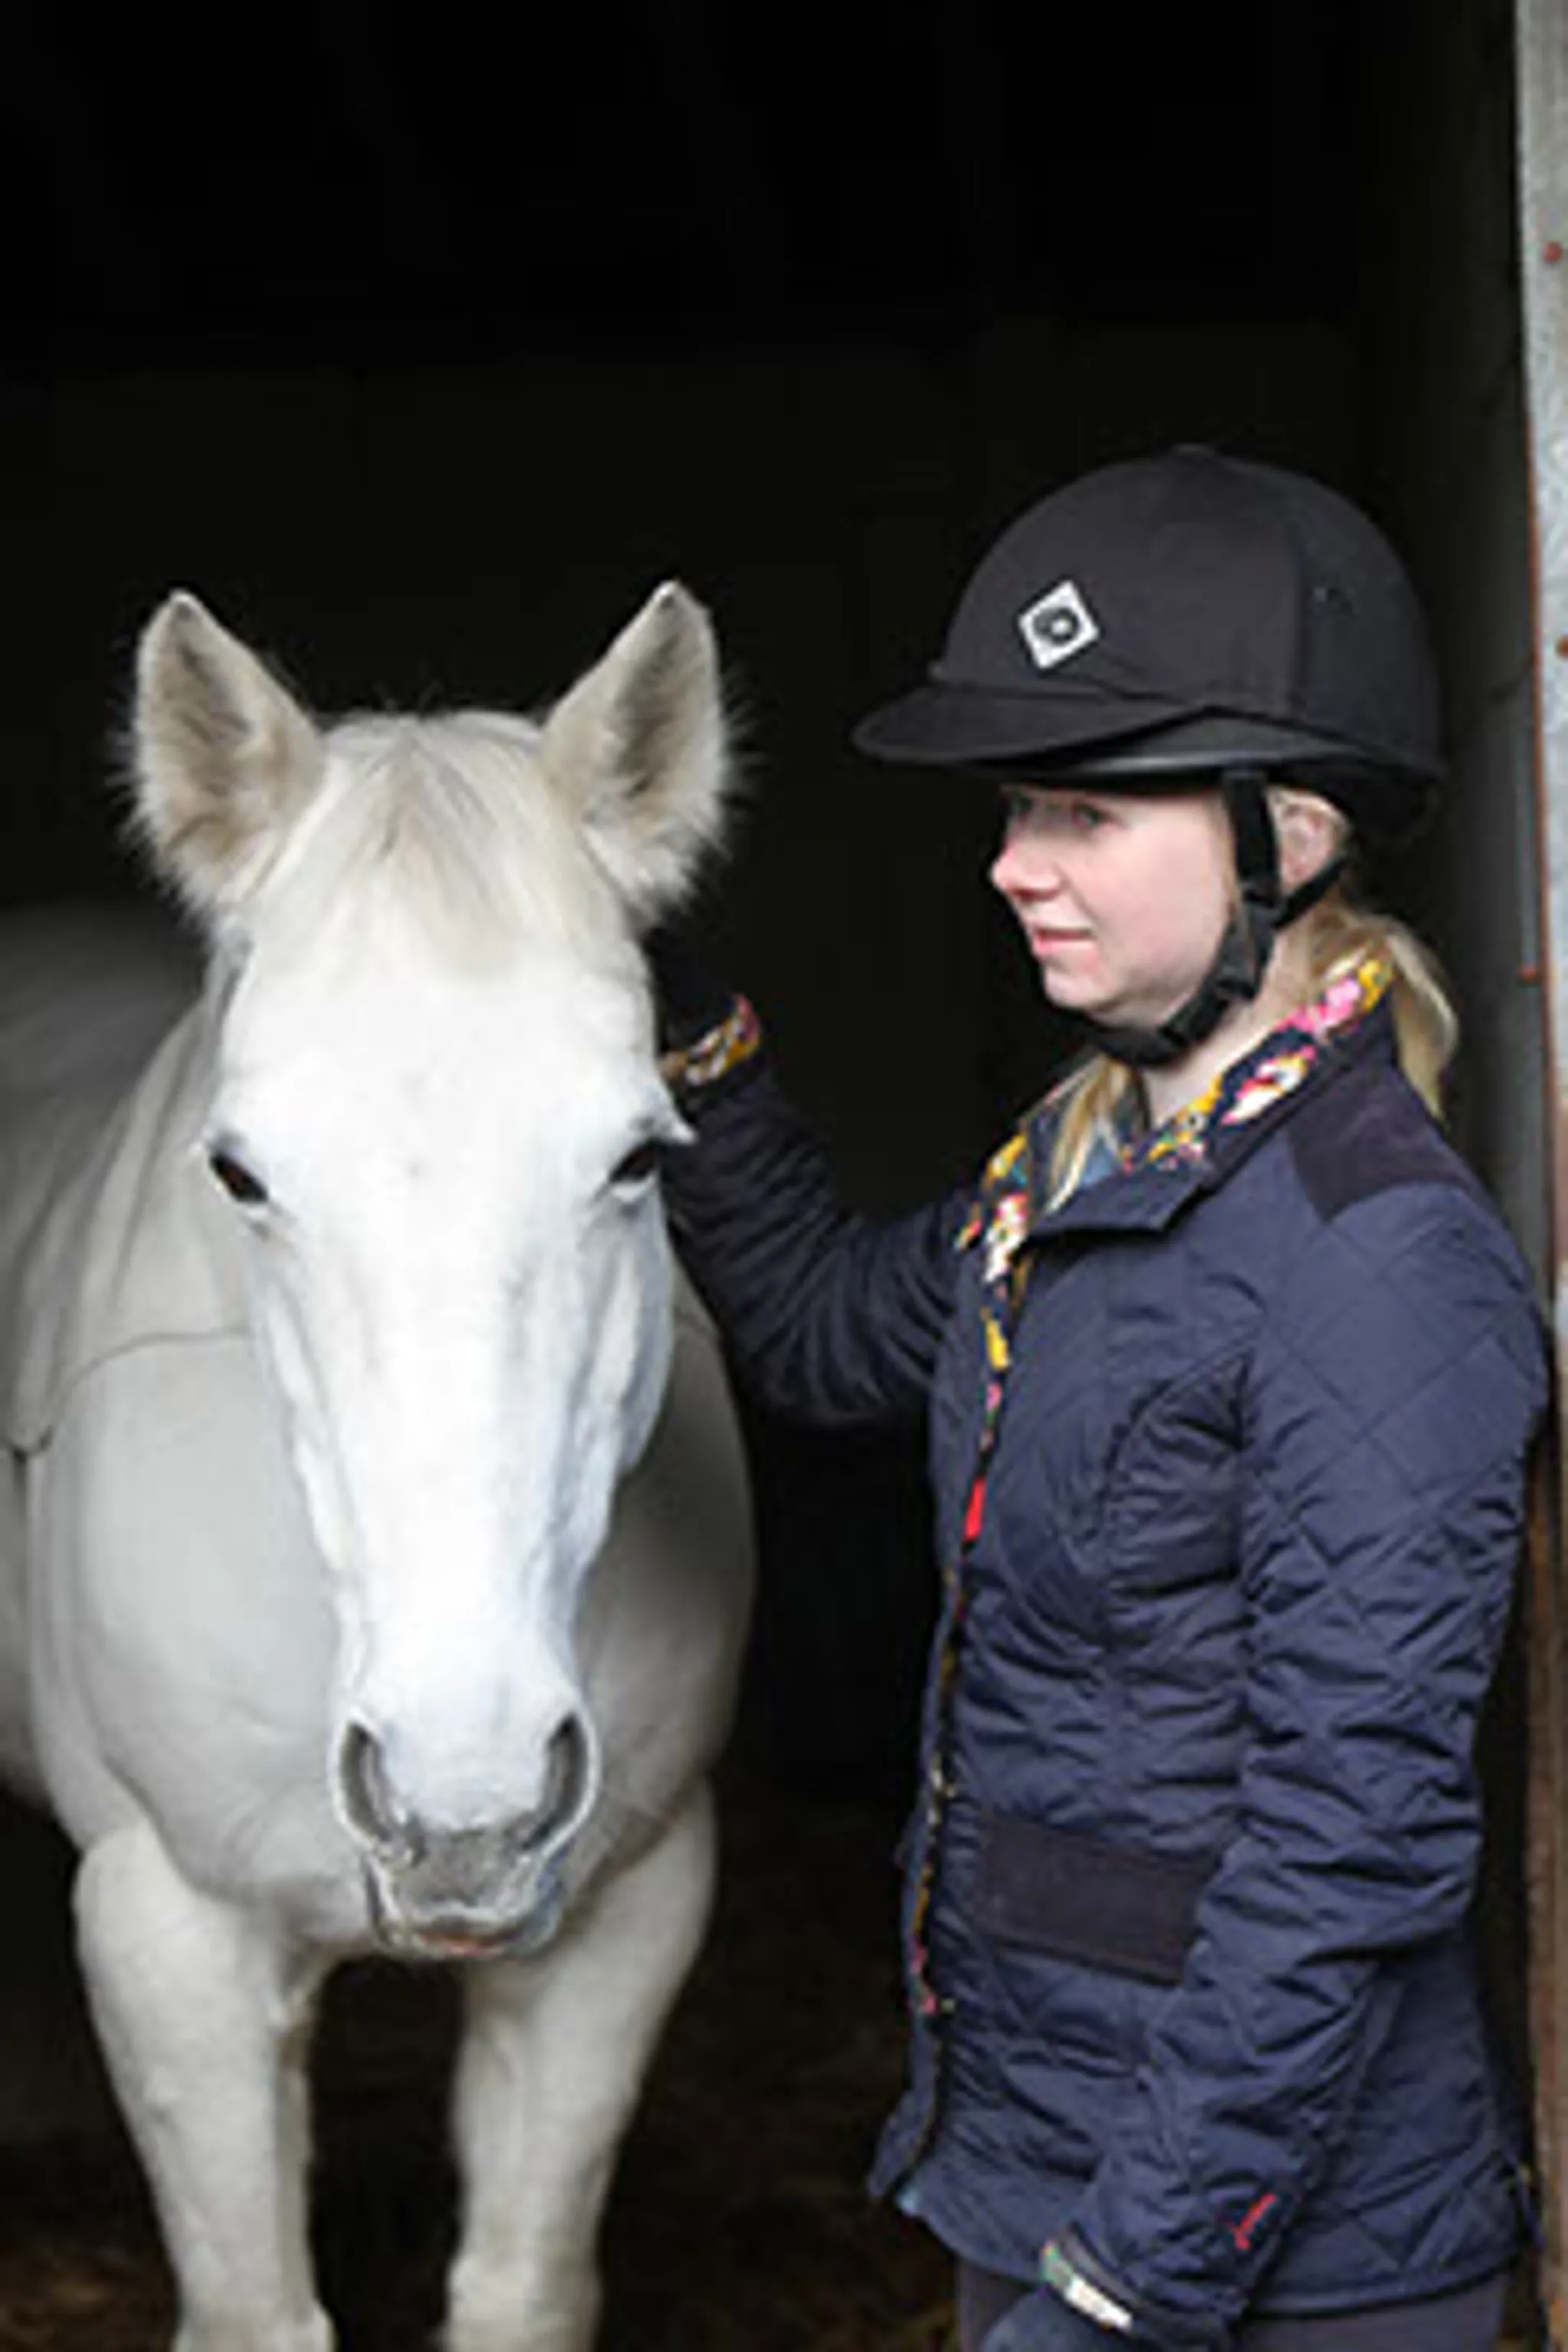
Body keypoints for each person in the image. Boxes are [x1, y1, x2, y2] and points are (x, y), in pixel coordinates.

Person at [652, 446, 1548, 2350]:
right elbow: (820, 1334)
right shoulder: (1066, 1176)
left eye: (1077, 808)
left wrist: (1130, 2277)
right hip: (1041, 2175)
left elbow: (1352, 1840)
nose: (1008, 864)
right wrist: (693, 1034)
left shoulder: (1377, 1260)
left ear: (1281, 836)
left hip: (1276, 2271)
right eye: (1010, 807)